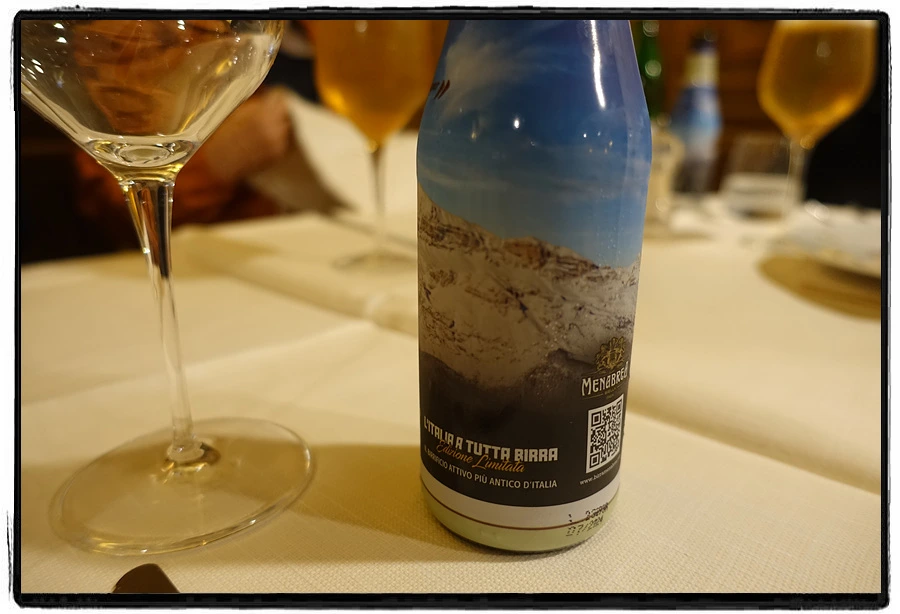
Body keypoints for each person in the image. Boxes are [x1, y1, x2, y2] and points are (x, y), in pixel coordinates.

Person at [73, 21, 322, 250]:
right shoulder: (121, 46)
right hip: (185, 261)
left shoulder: (263, 44)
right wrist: (217, 162)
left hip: (283, 248)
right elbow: (111, 211)